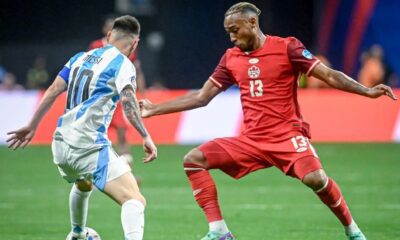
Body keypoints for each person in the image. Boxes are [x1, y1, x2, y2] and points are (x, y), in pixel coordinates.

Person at [139, 3, 397, 240]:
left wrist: (366, 91)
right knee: (193, 160)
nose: (231, 37)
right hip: (251, 140)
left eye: (235, 30)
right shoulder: (231, 58)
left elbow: (328, 75)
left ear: (252, 23)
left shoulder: (287, 47)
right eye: (228, 32)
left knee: (316, 178)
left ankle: (353, 230)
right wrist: (155, 109)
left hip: (286, 136)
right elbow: (203, 97)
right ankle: (218, 231)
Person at [7, 15, 157, 240]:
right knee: (135, 200)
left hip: (60, 145)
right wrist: (146, 136)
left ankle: (77, 233)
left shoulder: (79, 58)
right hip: (88, 145)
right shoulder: (123, 64)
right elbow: (128, 102)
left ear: (108, 36)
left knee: (84, 183)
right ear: (135, 44)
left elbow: (53, 89)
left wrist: (32, 125)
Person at [89, 15, 147, 164]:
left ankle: (127, 171)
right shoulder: (95, 45)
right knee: (95, 134)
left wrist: (141, 92)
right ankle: (91, 169)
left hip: (117, 97)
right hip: (98, 98)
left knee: (122, 132)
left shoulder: (128, 49)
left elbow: (137, 70)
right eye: (110, 27)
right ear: (105, 31)